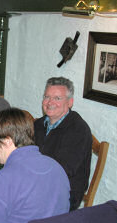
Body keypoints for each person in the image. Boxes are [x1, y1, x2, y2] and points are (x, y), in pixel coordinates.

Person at [34, 77, 92, 211]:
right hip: (37, 183)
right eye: (47, 96)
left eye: (57, 98)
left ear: (70, 102)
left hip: (64, 194)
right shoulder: (39, 124)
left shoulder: (78, 130)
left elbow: (62, 171)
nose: (50, 102)